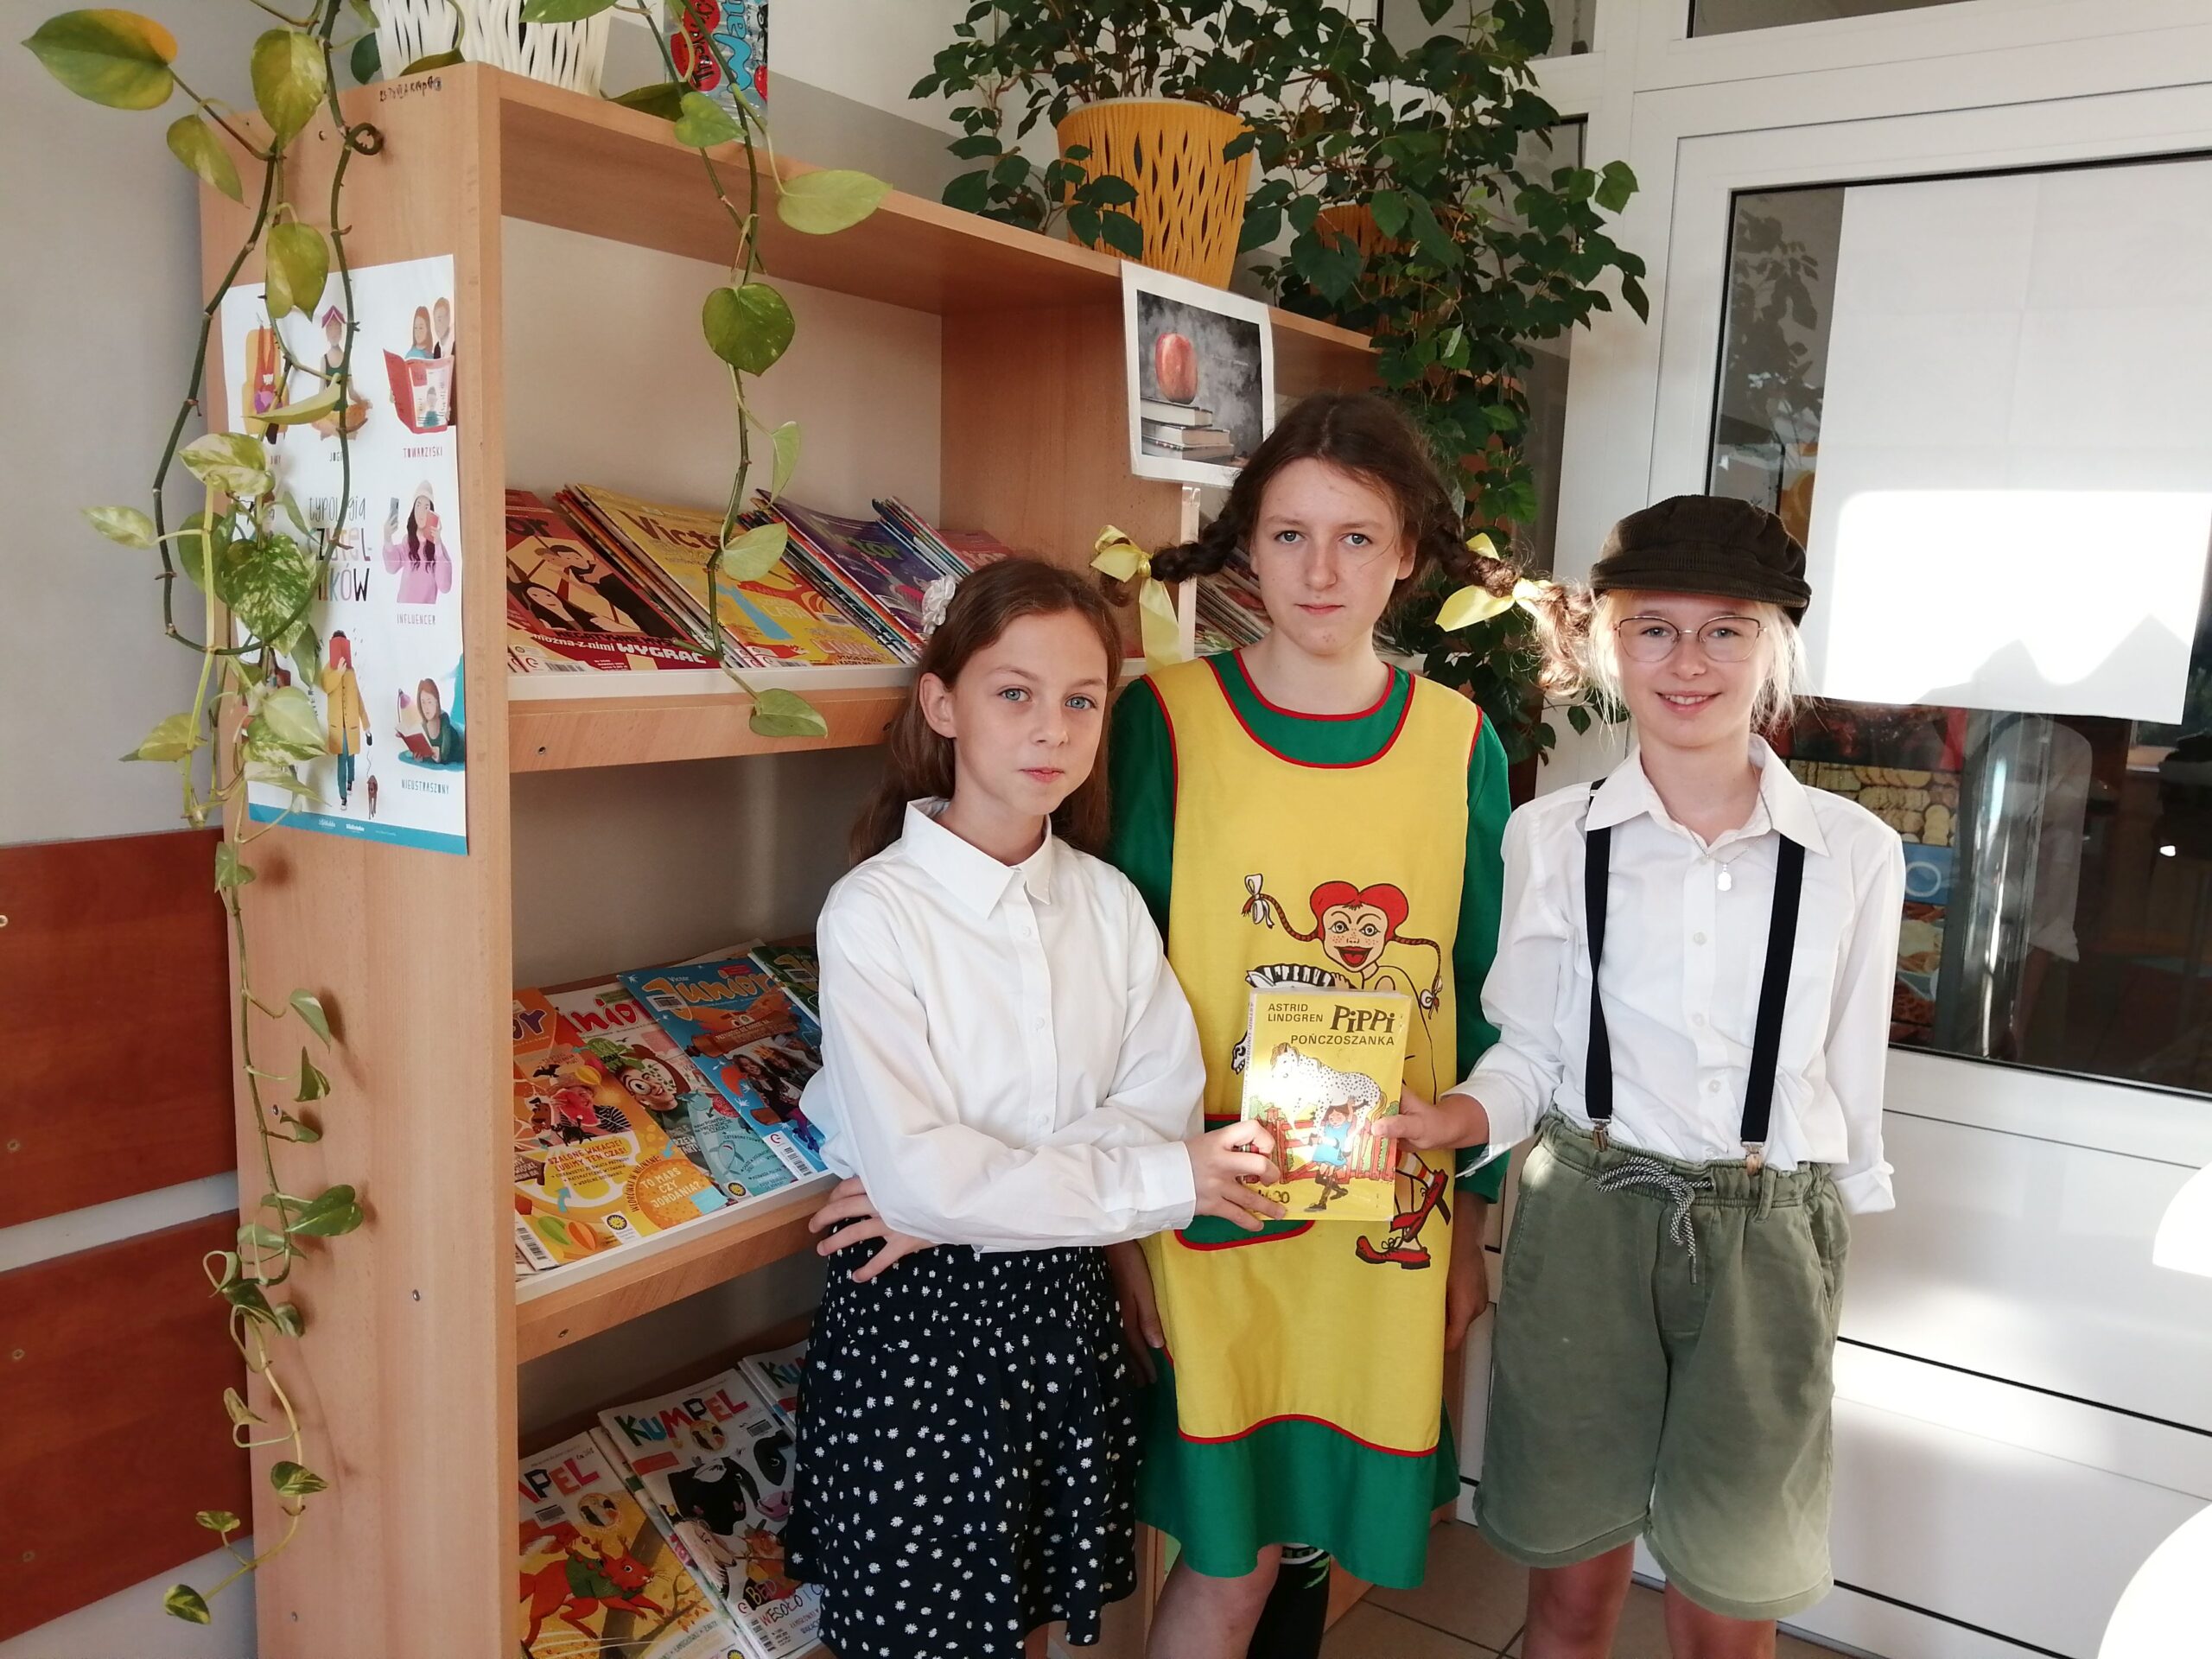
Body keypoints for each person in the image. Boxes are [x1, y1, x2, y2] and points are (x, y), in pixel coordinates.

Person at [1383, 495, 1904, 1659]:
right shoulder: (1551, 836)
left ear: (1773, 647)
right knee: (1571, 1584)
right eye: (1654, 629)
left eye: (1724, 630)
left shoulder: (1852, 853)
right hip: (1588, 1213)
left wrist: (1823, 1235)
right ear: (1607, 645)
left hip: (1767, 1226)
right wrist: (1460, 1117)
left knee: (1727, 1598)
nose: (1688, 662)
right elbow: (1531, 1049)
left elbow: (1848, 1075)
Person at [784, 556, 1287, 1659]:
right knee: (927, 1638)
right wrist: (1125, 1182)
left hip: (1061, 1312)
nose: (1050, 730)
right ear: (941, 704)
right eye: (1013, 693)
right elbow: (921, 1175)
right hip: (919, 1326)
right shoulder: (875, 914)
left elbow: (1154, 1104)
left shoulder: (1107, 904)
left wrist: (969, 1197)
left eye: (1081, 701)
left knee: (1038, 1624)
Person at [1103, 390, 1517, 1659]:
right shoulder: (1166, 721)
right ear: (1247, 547)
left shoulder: (1459, 743)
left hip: (1387, 1216)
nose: (1320, 571)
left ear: (1407, 556)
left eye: (1356, 537)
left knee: (1315, 1540)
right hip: (1211, 1200)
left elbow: (1487, 994)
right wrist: (1124, 1228)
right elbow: (1112, 987)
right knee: (1227, 1551)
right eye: (1290, 535)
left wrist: (1470, 1229)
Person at [320, 632, 369, 807]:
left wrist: (366, 725)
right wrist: (338, 672)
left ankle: (350, 781)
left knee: (351, 756)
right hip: (338, 728)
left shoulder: (351, 671)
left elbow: (357, 697)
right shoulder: (328, 670)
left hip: (352, 725)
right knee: (343, 758)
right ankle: (343, 796)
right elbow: (327, 687)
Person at [384, 486, 454, 607]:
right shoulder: (408, 542)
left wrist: (437, 544)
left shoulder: (438, 549)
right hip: (404, 611)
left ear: (432, 513)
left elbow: (444, 586)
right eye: (418, 505)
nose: (421, 512)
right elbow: (392, 567)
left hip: (425, 613)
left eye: (426, 507)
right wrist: (387, 537)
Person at [415, 677, 463, 765]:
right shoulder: (423, 727)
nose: (426, 708)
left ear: (436, 702)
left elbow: (445, 755)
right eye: (423, 703)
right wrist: (420, 757)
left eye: (429, 702)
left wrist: (440, 756)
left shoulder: (444, 719)